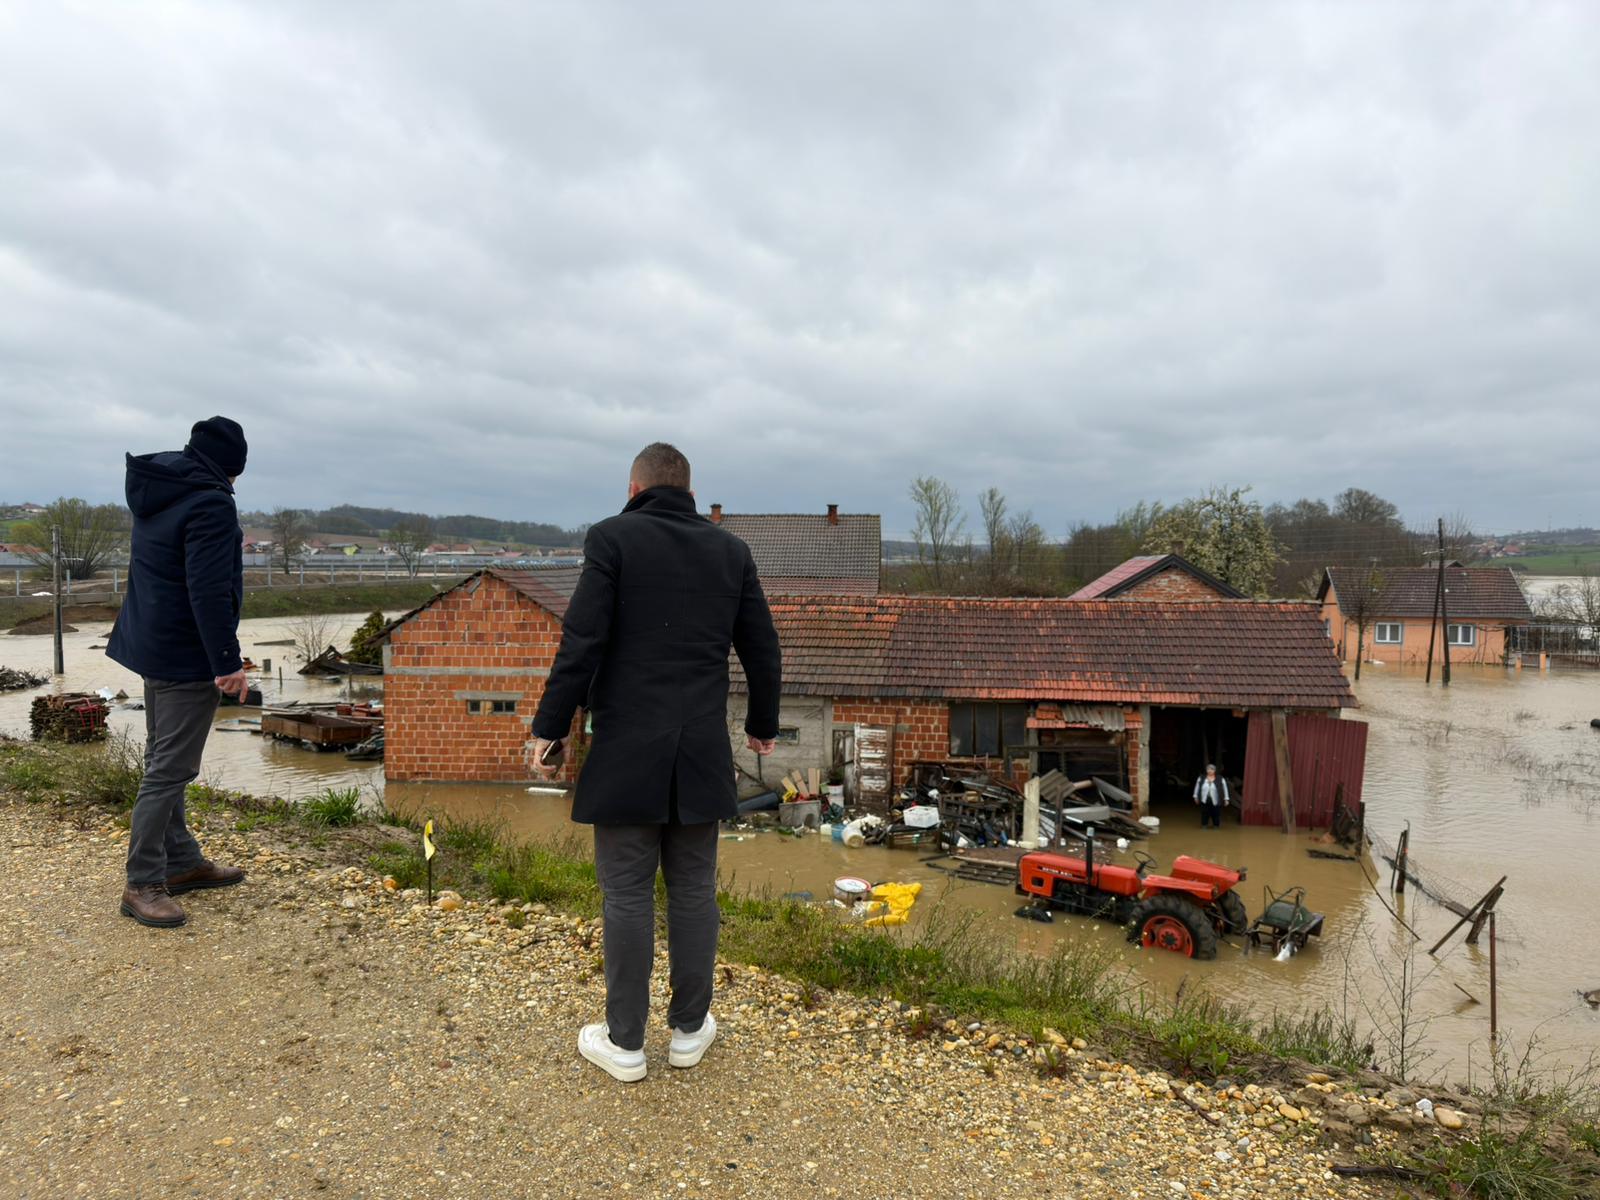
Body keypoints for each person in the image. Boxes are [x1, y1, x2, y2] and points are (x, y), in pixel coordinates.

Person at [529, 443, 782, 1082]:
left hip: (626, 751)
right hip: (700, 750)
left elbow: (582, 641)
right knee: (694, 892)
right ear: (690, 492)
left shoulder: (611, 539)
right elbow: (762, 647)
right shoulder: (732, 551)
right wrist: (762, 726)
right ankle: (690, 1032)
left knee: (626, 894)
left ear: (633, 488)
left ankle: (625, 1044)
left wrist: (549, 728)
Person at [107, 417, 252, 928]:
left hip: (151, 644)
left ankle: (182, 861)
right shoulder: (210, 502)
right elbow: (208, 591)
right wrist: (227, 664)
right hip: (187, 654)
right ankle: (143, 882)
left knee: (161, 758)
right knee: (170, 768)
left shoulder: (161, 488)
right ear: (233, 466)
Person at [1192, 763, 1230, 828]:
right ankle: (1204, 826)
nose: (1210, 770)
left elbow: (1225, 788)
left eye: (1212, 769)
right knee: (1204, 813)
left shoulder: (1220, 778)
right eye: (1208, 769)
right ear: (1206, 770)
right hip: (1204, 799)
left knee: (1216, 813)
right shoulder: (1201, 777)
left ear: (1215, 770)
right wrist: (1195, 797)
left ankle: (1216, 826)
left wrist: (1226, 799)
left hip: (1216, 800)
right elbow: (1197, 787)